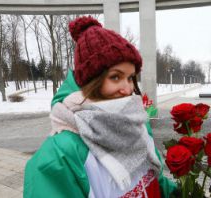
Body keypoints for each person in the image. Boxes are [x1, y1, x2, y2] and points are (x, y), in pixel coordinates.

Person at [23, 16, 176, 198]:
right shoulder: (59, 155)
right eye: (115, 77)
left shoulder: (136, 123)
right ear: (91, 80)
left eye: (130, 78)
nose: (128, 89)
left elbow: (154, 178)